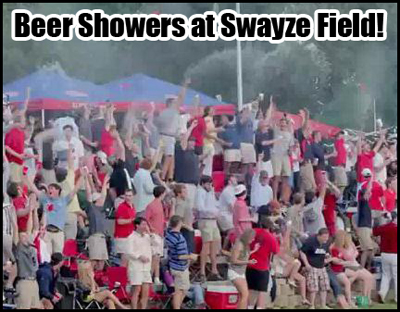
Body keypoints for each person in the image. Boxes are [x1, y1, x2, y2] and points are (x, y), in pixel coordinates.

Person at [24, 169, 84, 255]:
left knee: (58, 256)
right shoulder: (45, 199)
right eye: (48, 188)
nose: (49, 190)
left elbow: (75, 189)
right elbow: (33, 188)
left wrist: (82, 176)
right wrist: (26, 176)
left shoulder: (64, 201)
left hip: (58, 233)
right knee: (47, 256)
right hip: (47, 232)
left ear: (58, 190)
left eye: (51, 188)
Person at [156, 79, 190, 181]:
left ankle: (170, 176)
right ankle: (163, 177)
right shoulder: (172, 111)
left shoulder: (163, 113)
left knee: (171, 158)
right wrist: (185, 85)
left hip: (165, 136)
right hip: (169, 136)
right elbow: (181, 97)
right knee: (169, 156)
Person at [165, 215, 198, 309]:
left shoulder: (168, 234)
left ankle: (177, 306)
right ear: (179, 223)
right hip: (179, 266)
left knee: (184, 288)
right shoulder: (179, 238)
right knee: (179, 291)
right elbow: (180, 256)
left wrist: (184, 226)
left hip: (173, 265)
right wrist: (191, 256)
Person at [246, 216, 279, 309]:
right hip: (262, 267)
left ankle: (250, 307)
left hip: (249, 265)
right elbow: (275, 251)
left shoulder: (252, 232)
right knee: (262, 291)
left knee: (251, 290)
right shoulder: (271, 237)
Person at [333, 230, 374, 304]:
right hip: (348, 265)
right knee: (366, 277)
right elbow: (347, 257)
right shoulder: (338, 247)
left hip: (354, 263)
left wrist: (353, 254)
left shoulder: (350, 243)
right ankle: (364, 300)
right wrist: (352, 255)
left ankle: (368, 297)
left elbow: (356, 252)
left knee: (370, 277)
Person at [195, 175, 222, 282]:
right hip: (205, 220)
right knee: (206, 247)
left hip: (213, 221)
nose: (209, 186)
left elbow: (216, 205)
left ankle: (214, 271)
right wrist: (213, 212)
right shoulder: (200, 192)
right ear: (202, 183)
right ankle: (202, 272)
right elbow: (200, 208)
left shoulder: (210, 193)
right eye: (207, 184)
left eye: (210, 184)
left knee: (214, 246)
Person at [300, 228, 331, 310]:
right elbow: (302, 252)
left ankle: (323, 305)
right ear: (319, 236)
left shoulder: (326, 243)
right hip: (312, 266)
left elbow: (327, 253)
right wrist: (306, 264)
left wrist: (328, 257)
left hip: (322, 266)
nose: (326, 239)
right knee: (313, 287)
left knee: (324, 286)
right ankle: (312, 305)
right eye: (324, 237)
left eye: (327, 237)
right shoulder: (311, 241)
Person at [126, 217, 154, 310]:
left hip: (146, 267)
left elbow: (157, 243)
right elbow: (129, 251)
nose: (145, 226)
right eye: (143, 224)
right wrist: (139, 256)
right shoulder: (131, 237)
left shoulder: (147, 237)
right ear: (137, 225)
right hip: (136, 267)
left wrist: (150, 233)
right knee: (136, 290)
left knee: (146, 291)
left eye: (146, 224)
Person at [227, 229, 257, 309]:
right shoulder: (239, 245)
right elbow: (233, 260)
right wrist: (248, 262)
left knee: (242, 295)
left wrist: (254, 251)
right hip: (235, 272)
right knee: (245, 294)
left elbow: (244, 255)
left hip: (241, 272)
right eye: (252, 238)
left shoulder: (245, 245)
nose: (253, 240)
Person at [85, 173, 110, 271]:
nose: (102, 199)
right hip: (94, 236)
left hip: (102, 237)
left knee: (102, 261)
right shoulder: (92, 208)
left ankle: (97, 279)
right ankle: (89, 278)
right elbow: (88, 193)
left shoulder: (101, 209)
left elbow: (104, 195)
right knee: (94, 260)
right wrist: (86, 178)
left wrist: (104, 183)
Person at [356, 168, 379, 269]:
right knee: (367, 249)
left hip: (368, 227)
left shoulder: (367, 204)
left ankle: (368, 266)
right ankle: (363, 268)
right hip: (363, 227)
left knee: (374, 247)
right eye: (369, 193)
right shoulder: (363, 200)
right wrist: (371, 179)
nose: (370, 194)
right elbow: (368, 190)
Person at [373, 211, 397, 303]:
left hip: (385, 254)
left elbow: (374, 232)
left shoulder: (385, 227)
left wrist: (378, 220)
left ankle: (382, 293)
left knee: (386, 275)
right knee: (396, 276)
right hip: (395, 254)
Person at [145, 185, 167, 285]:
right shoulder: (151, 205)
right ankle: (151, 276)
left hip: (160, 233)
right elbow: (146, 219)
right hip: (154, 234)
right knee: (155, 257)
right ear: (162, 194)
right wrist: (151, 229)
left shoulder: (162, 204)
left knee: (157, 258)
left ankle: (156, 277)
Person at [330, 232, 358, 308]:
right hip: (336, 270)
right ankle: (349, 301)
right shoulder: (333, 248)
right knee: (347, 282)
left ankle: (344, 289)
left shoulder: (341, 247)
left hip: (341, 268)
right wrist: (346, 262)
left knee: (355, 274)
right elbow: (335, 262)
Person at [14, 232, 42, 309]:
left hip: (34, 281)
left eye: (26, 236)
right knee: (23, 307)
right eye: (22, 236)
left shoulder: (32, 250)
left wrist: (31, 244)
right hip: (24, 282)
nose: (25, 238)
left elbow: (35, 267)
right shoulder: (19, 249)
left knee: (35, 307)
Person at [114, 188, 136, 267]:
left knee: (128, 259)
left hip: (129, 235)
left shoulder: (132, 206)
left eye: (129, 196)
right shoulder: (122, 207)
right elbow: (119, 221)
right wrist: (131, 220)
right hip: (122, 236)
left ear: (133, 196)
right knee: (125, 259)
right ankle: (122, 277)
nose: (128, 197)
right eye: (126, 196)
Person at [217, 174, 237, 238]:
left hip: (229, 215)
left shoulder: (233, 190)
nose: (236, 179)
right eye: (234, 178)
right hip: (224, 216)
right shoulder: (228, 191)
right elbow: (231, 207)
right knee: (232, 231)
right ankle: (225, 247)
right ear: (229, 181)